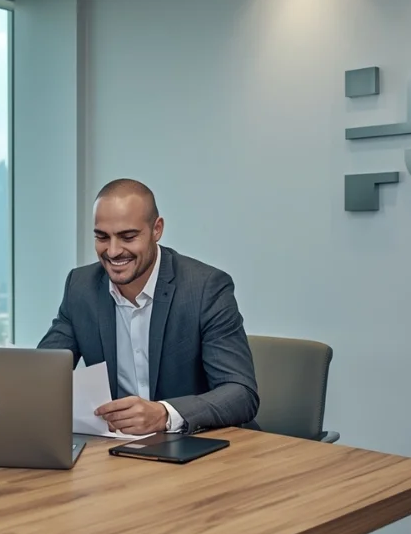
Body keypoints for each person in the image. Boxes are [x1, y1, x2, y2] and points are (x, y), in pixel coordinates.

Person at [38, 179, 259, 435]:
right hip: (117, 449)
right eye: (101, 237)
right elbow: (45, 372)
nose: (112, 251)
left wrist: (164, 414)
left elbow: (241, 393)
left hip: (199, 444)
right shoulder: (81, 287)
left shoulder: (205, 288)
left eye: (128, 237)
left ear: (157, 229)